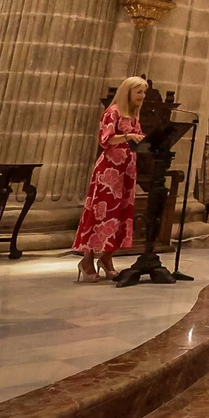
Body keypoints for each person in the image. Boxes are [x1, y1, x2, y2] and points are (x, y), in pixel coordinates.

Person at [72, 76, 147, 282]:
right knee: (101, 213)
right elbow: (105, 139)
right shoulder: (113, 112)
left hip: (127, 170)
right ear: (128, 92)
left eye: (143, 92)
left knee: (121, 213)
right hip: (109, 171)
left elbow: (138, 138)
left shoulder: (133, 116)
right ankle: (87, 260)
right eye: (139, 92)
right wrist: (127, 137)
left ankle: (107, 258)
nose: (142, 96)